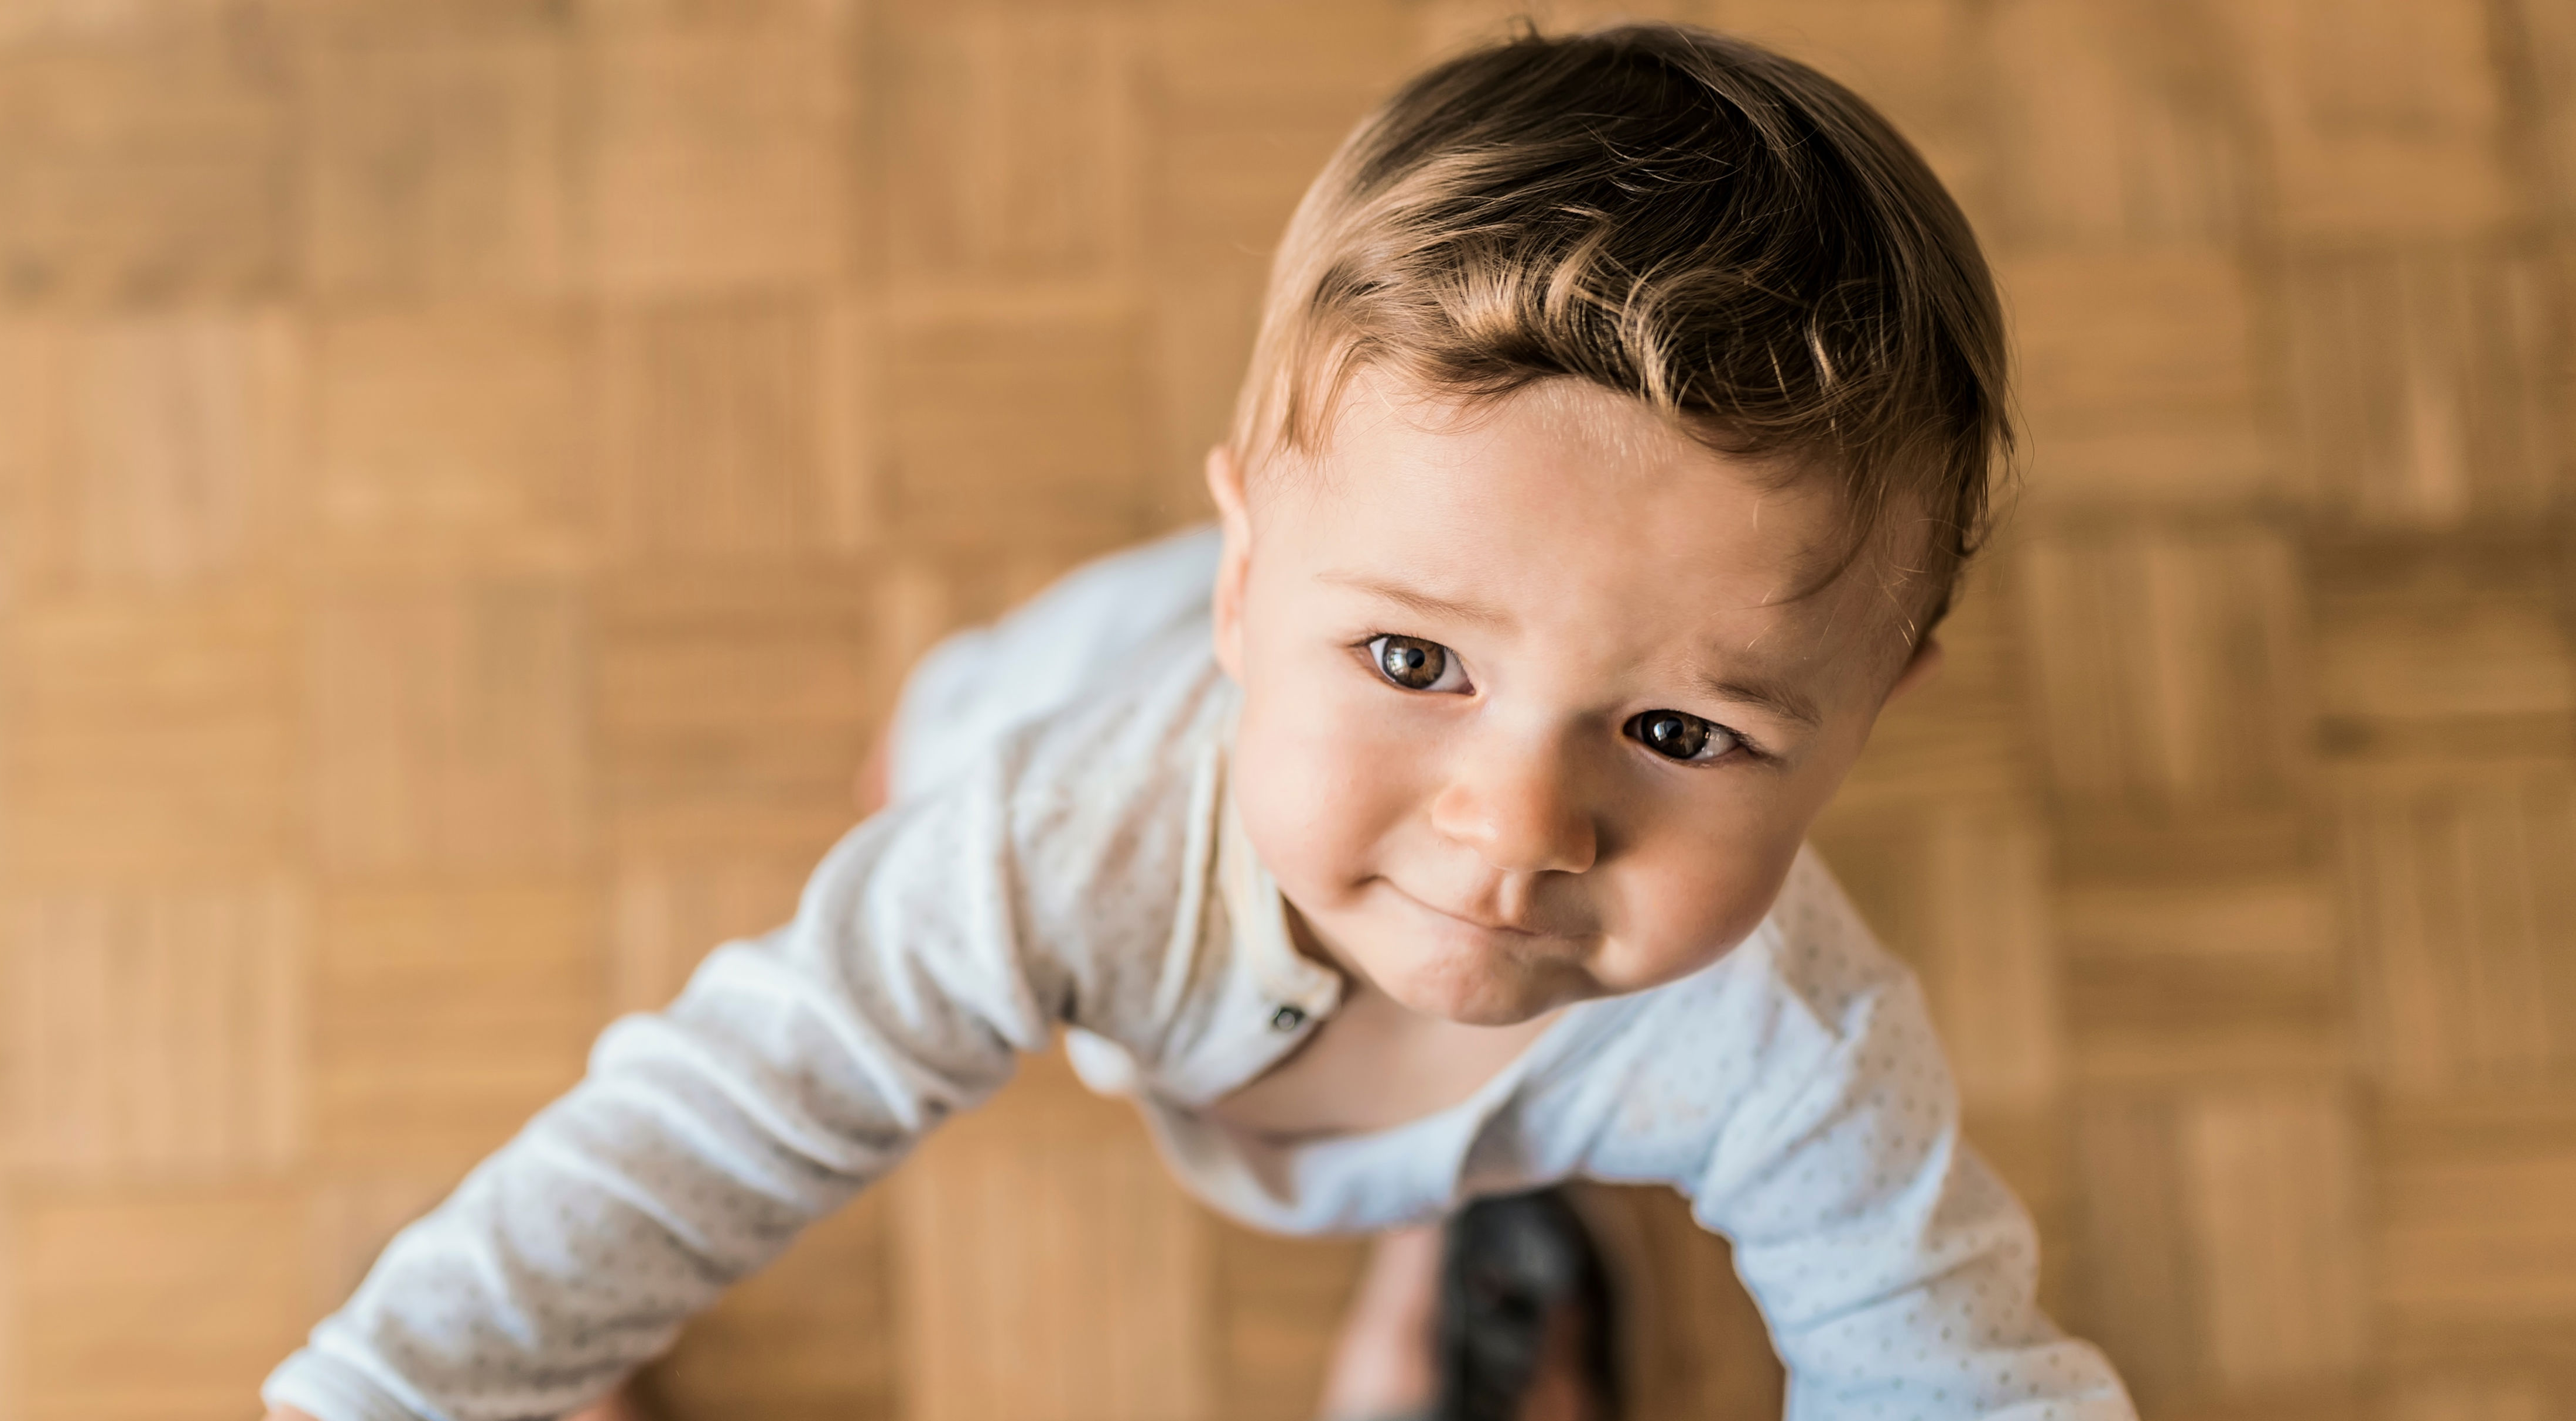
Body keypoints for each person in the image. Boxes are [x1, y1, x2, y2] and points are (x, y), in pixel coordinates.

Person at [264, 23, 2136, 1421]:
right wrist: (416, 1384)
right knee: (939, 792)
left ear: (1869, 714)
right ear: (1250, 579)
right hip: (1064, 715)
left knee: (1503, 1135)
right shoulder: (1049, 849)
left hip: (1304, 1030)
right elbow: (720, 1118)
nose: (1514, 831)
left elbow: (1949, 1350)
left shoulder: (1802, 1057)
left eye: (1680, 731)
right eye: (1415, 662)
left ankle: (1448, 1264)